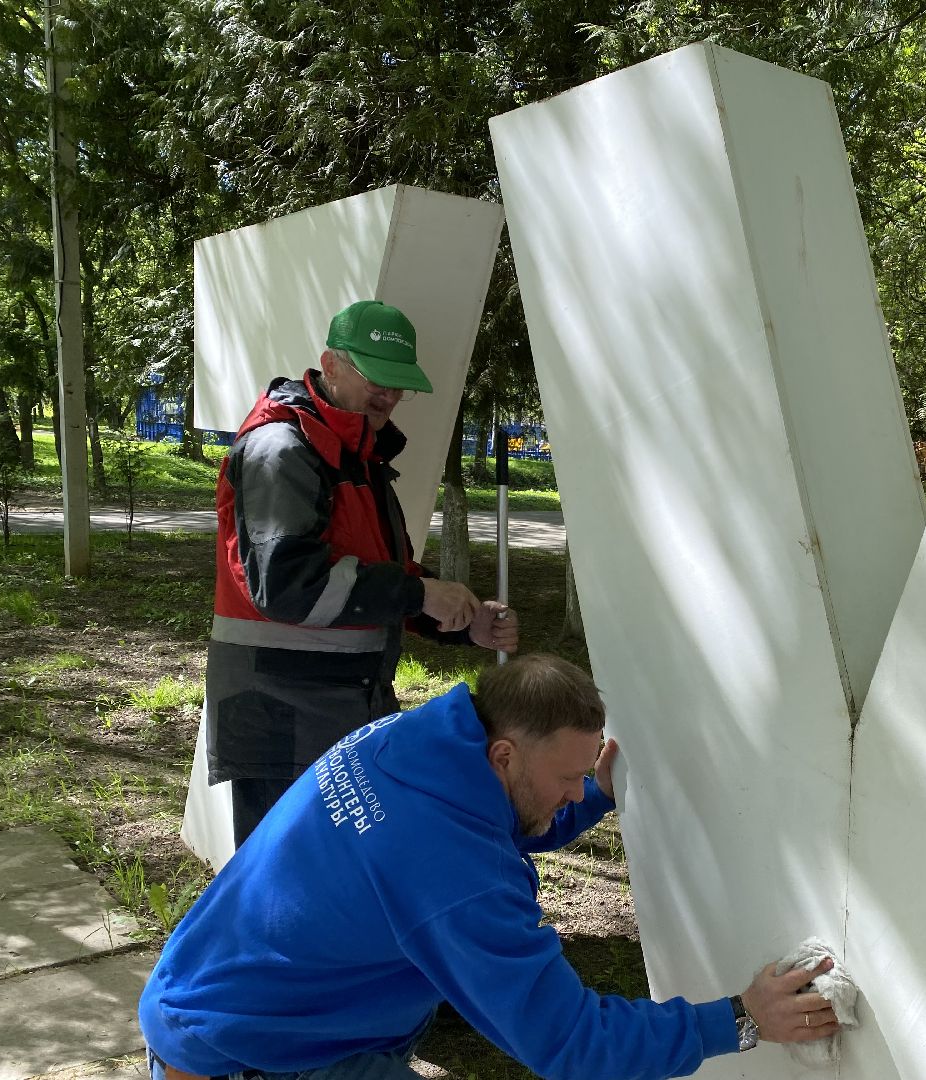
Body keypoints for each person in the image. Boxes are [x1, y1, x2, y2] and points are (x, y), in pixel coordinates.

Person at [140, 653, 843, 1080]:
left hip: (214, 998)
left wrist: (592, 793)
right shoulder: (452, 878)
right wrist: (740, 1021)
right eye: (569, 776)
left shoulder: (416, 741)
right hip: (251, 1054)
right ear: (504, 755)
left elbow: (488, 820)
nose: (577, 791)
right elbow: (566, 1040)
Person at [205, 299, 519, 848]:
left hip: (337, 706)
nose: (390, 396)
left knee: (333, 885)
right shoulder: (283, 449)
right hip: (281, 716)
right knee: (282, 889)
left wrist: (452, 617)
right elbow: (288, 587)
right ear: (331, 365)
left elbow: (370, 573)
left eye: (400, 385)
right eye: (378, 378)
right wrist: (420, 593)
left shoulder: (353, 452)